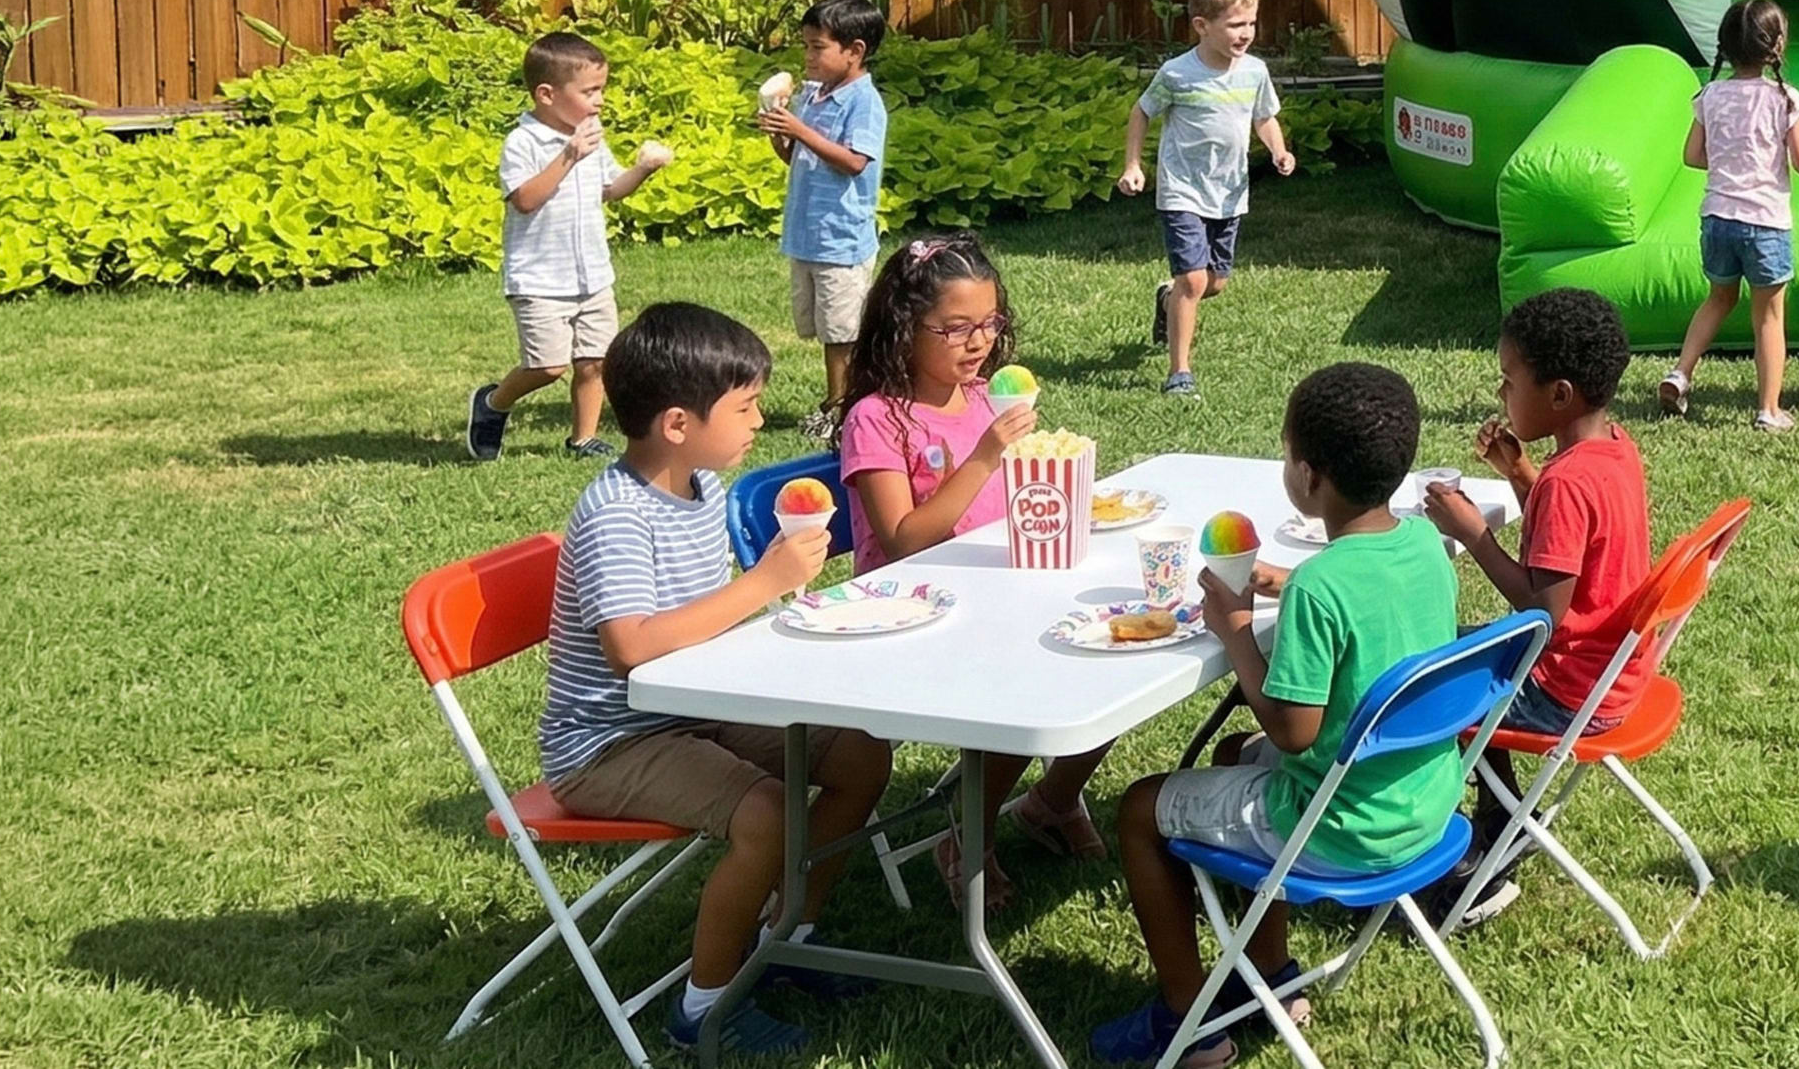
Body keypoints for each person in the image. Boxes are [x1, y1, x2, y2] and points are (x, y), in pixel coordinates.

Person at [540, 302, 893, 1058]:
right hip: (610, 739)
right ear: (677, 423)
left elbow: (700, 622)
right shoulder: (617, 515)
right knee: (765, 811)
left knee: (861, 754)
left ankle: (788, 931)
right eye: (745, 406)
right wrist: (763, 582)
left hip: (690, 705)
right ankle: (704, 1005)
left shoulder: (702, 488)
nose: (759, 420)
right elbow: (631, 648)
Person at [1097, 364, 1459, 1069]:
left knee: (1141, 807)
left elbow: (1295, 734)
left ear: (1309, 474)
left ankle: (1187, 1021)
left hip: (1339, 826)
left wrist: (1236, 629)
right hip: (1422, 803)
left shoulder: (1320, 589)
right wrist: (1282, 582)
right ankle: (1271, 972)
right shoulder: (1424, 545)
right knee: (1235, 750)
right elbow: (1366, 592)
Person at [831, 233, 1113, 897]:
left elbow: (1013, 505)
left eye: (989, 322)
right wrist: (985, 454)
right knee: (1029, 684)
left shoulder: (990, 398)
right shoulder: (879, 419)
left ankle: (1054, 797)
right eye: (955, 327)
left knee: (1114, 658)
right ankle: (970, 838)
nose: (977, 340)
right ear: (906, 327)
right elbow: (903, 538)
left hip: (996, 590)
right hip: (906, 612)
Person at [1420, 288, 1653, 924]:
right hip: (1613, 678)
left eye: (1508, 380)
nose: (1501, 395)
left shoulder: (1567, 483)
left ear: (1559, 395)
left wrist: (1474, 534)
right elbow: (1576, 550)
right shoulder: (1613, 451)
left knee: (1424, 677)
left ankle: (1439, 849)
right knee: (1465, 647)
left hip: (1564, 692)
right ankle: (1504, 820)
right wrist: (1522, 474)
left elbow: (1541, 611)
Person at [470, 30, 673, 462]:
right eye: (590, 91)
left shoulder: (588, 134)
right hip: (540, 277)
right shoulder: (523, 142)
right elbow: (524, 200)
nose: (599, 100)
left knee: (595, 361)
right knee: (547, 366)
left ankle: (582, 439)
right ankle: (493, 404)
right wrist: (568, 156)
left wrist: (643, 169)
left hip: (592, 273)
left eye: (601, 89)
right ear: (546, 94)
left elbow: (610, 190)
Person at [1118, 0, 1295, 400]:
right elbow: (1141, 112)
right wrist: (1133, 165)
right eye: (1235, 24)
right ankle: (1180, 373)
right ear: (1202, 25)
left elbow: (1263, 117)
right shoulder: (1178, 73)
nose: (1246, 33)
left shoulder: (1253, 72)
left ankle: (1168, 300)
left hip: (1229, 193)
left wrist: (1278, 149)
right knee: (1195, 281)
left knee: (1214, 283)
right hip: (1182, 190)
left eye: (1251, 23)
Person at [1656, 0, 1799, 430]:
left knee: (1718, 299)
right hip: (1765, 222)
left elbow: (1693, 155)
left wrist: (1730, 161)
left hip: (1717, 217)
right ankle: (1769, 410)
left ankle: (1681, 372)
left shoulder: (1710, 95)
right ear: (1777, 46)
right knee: (1769, 317)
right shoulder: (1785, 99)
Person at [759, 0, 890, 441]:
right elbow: (798, 157)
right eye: (807, 46)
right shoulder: (813, 96)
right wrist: (782, 135)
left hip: (841, 237)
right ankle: (838, 400)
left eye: (818, 47)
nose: (808, 56)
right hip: (808, 232)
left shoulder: (864, 102)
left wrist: (800, 130)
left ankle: (841, 409)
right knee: (821, 325)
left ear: (854, 51)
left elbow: (855, 161)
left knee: (842, 329)